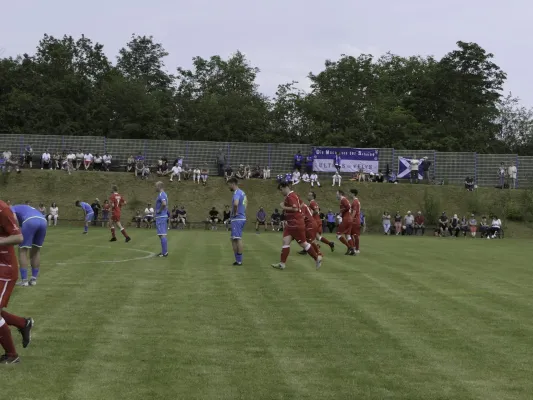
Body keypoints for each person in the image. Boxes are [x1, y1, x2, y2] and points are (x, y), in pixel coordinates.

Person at [0, 200, 33, 364]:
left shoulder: (2, 209)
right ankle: (22, 323)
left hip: (4, 269)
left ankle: (12, 356)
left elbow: (18, 237)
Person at [271, 182, 322, 270]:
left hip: (295, 224)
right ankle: (282, 264)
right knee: (285, 241)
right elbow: (301, 204)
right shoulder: (294, 195)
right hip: (291, 224)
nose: (281, 192)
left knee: (304, 244)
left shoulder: (291, 196)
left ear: (285, 187)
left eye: (281, 189)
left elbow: (295, 208)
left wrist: (284, 207)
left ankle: (317, 258)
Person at [11, 204, 47, 287]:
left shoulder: (11, 208)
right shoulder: (25, 207)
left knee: (22, 250)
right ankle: (34, 279)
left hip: (30, 221)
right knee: (36, 250)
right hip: (43, 221)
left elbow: (14, 218)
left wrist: (16, 232)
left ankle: (24, 281)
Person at [227, 177, 247, 266]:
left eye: (229, 185)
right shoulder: (243, 193)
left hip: (237, 218)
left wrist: (235, 213)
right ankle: (238, 260)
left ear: (233, 184)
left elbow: (235, 203)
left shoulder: (237, 193)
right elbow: (246, 203)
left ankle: (239, 261)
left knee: (237, 238)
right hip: (241, 218)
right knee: (234, 239)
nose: (229, 187)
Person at [336, 190, 354, 255]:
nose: (336, 195)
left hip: (346, 219)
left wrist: (341, 211)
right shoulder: (344, 200)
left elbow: (348, 207)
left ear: (340, 194)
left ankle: (349, 247)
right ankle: (352, 251)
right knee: (348, 235)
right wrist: (340, 213)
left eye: (337, 194)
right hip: (349, 219)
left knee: (338, 235)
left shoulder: (343, 199)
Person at [155, 182, 169, 257]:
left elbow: (164, 204)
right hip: (162, 216)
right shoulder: (164, 194)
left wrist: (159, 211)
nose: (155, 188)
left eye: (156, 186)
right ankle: (164, 251)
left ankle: (165, 252)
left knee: (162, 234)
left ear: (159, 186)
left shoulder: (161, 194)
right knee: (161, 234)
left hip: (161, 217)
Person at [349, 189, 361, 254]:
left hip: (355, 220)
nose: (349, 194)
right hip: (355, 220)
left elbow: (354, 211)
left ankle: (357, 249)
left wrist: (351, 219)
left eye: (350, 193)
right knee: (350, 234)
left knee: (355, 235)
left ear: (353, 194)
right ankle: (353, 247)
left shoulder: (355, 202)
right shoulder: (355, 201)